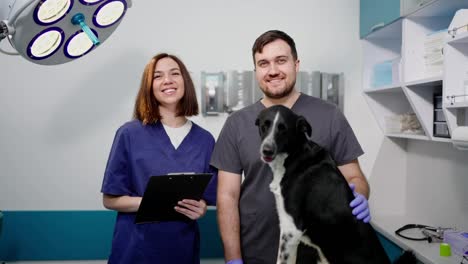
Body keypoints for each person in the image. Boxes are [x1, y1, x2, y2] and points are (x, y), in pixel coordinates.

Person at [211, 30, 371, 264]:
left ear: (296, 64)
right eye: (263, 63)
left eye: (281, 60)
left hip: (321, 252)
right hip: (258, 251)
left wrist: (360, 195)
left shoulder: (329, 115)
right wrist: (233, 258)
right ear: (256, 71)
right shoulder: (237, 123)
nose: (273, 70)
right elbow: (227, 195)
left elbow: (354, 176)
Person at [101, 53, 217, 264]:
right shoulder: (129, 134)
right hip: (135, 250)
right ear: (149, 87)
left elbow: (209, 197)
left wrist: (201, 208)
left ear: (185, 82)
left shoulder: (204, 140)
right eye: (158, 76)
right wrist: (154, 202)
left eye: (175, 73)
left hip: (182, 250)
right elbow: (109, 199)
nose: (168, 80)